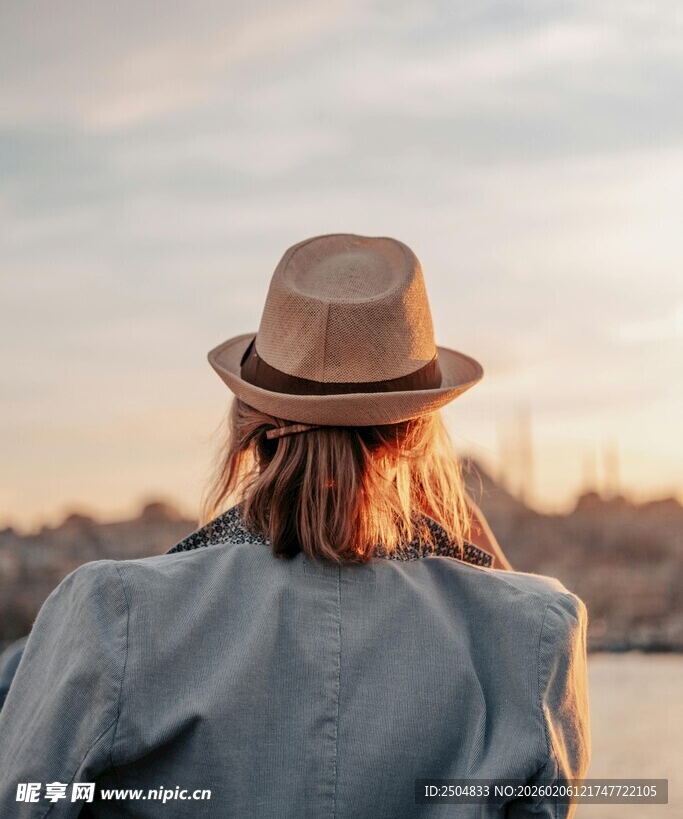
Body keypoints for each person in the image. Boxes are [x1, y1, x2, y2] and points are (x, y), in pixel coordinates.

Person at [0, 233, 590, 817]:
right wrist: (467, 536)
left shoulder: (112, 614)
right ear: (416, 436)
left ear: (247, 425)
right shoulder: (534, 630)